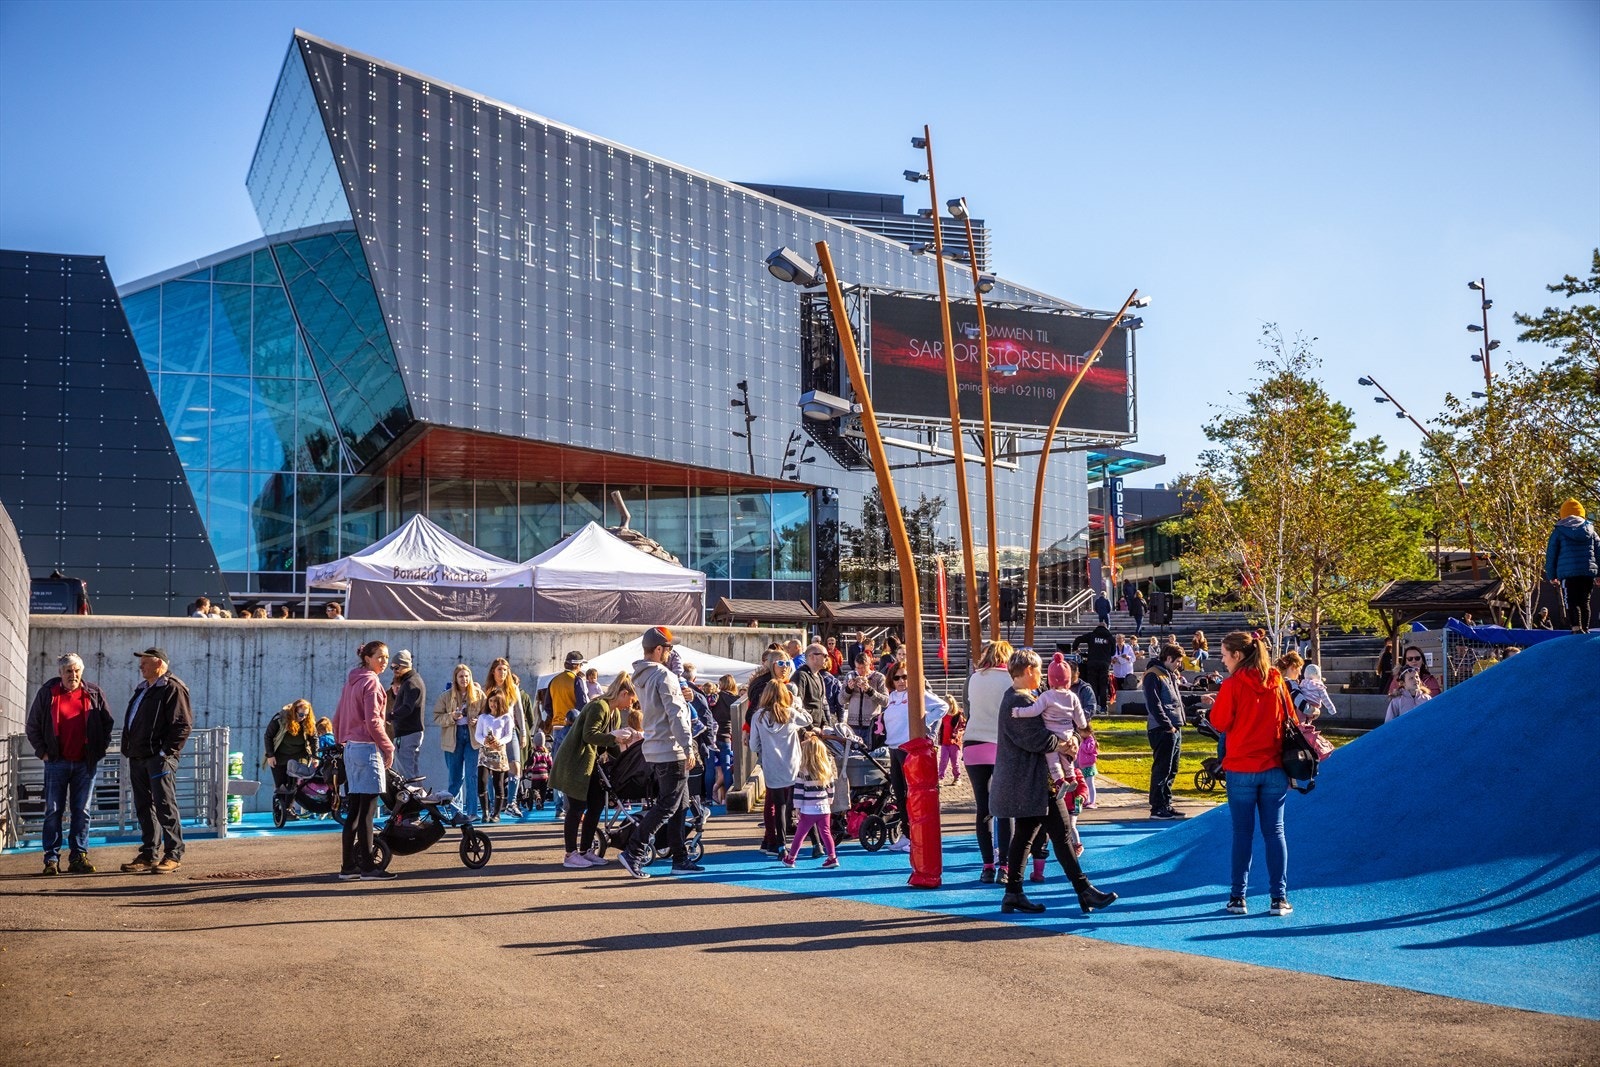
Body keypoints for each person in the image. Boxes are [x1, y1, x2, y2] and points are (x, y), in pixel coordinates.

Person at [991, 647, 1118, 915]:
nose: (1041, 676)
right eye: (1038, 670)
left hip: (1035, 782)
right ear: (1028, 671)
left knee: (1026, 837)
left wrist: (1067, 740)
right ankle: (1084, 891)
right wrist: (1067, 743)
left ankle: (1013, 893)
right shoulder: (1019, 701)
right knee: (1059, 835)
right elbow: (1037, 739)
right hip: (1036, 782)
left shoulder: (1024, 698)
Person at [1209, 630, 1294, 916]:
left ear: (1237, 655)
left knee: (1242, 834)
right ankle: (1278, 898)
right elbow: (1290, 719)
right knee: (1275, 833)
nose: (1222, 661)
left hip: (1241, 767)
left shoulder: (1233, 684)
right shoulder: (1277, 680)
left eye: (1223, 655)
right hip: (1274, 767)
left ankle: (1238, 897)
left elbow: (1219, 721)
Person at [619, 627, 701, 878]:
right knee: (668, 805)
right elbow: (676, 715)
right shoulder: (665, 676)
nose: (671, 652)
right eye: (668, 648)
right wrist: (688, 747)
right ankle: (634, 851)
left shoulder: (641, 675)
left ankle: (679, 857)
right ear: (658, 650)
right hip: (671, 748)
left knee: (680, 804)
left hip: (655, 746)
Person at [26, 653, 114, 875]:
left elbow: (106, 724)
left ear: (81, 673)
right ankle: (51, 859)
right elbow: (33, 726)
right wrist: (43, 752)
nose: (72, 675)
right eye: (68, 671)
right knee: (53, 811)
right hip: (56, 762)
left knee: (82, 811)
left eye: (76, 671)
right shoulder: (48, 693)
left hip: (85, 764)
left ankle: (78, 856)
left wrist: (98, 750)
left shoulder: (93, 692)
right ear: (60, 673)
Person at [119, 647, 194, 874]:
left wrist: (165, 753)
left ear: (159, 664)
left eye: (145, 663)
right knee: (144, 806)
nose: (140, 667)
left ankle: (173, 854)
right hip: (138, 756)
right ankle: (149, 853)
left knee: (164, 805)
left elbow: (182, 725)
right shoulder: (144, 689)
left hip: (158, 758)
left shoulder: (171, 688)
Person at [552, 673, 638, 868]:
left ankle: (585, 851)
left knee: (597, 804)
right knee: (576, 808)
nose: (631, 705)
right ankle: (570, 854)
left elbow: (609, 744)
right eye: (631, 699)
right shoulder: (599, 706)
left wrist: (626, 753)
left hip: (589, 765)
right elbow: (589, 735)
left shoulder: (613, 712)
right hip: (576, 763)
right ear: (624, 693)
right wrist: (615, 738)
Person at [333, 640, 396, 880]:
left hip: (351, 747)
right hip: (367, 748)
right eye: (380, 656)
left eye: (386, 657)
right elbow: (373, 721)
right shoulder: (371, 682)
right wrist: (388, 747)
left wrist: (342, 741)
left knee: (355, 811)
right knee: (368, 811)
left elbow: (338, 716)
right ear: (368, 658)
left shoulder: (352, 681)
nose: (384, 661)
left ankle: (348, 866)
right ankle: (369, 867)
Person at [881, 664, 948, 853]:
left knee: (913, 793)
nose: (901, 681)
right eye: (897, 678)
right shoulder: (892, 697)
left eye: (905, 677)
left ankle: (916, 835)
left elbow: (943, 706)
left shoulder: (918, 694)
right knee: (900, 793)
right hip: (894, 747)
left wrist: (923, 721)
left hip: (908, 748)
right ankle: (906, 833)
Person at [964, 639, 1014, 883]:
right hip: (999, 743)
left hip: (973, 743)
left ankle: (987, 866)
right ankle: (1005, 865)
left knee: (983, 809)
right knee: (1005, 809)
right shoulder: (1009, 679)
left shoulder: (974, 678)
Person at [749, 671, 813, 857]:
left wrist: (764, 745)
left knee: (778, 807)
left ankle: (779, 845)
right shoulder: (790, 713)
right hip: (792, 764)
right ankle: (814, 842)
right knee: (799, 804)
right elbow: (808, 720)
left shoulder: (758, 716)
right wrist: (797, 704)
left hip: (772, 766)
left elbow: (753, 744)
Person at [1013, 653, 1088, 788]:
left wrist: (1018, 712)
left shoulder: (1046, 696)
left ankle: (1059, 781)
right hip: (1067, 733)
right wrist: (1082, 726)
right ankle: (1071, 777)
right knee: (1066, 758)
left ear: (1051, 679)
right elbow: (1080, 717)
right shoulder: (1073, 697)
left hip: (1051, 734)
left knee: (1053, 759)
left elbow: (1034, 710)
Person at [432, 665, 484, 818]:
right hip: (453, 739)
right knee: (455, 777)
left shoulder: (479, 695)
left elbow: (488, 715)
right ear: (455, 678)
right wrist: (451, 717)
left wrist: (478, 721)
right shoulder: (446, 696)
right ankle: (456, 811)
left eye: (467, 676)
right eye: (461, 676)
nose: (464, 679)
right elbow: (436, 717)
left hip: (472, 738)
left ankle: (472, 812)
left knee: (471, 776)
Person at [782, 733, 840, 869]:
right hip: (824, 807)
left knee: (800, 835)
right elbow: (831, 789)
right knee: (826, 833)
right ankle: (832, 857)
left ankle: (791, 858)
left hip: (808, 808)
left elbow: (799, 792)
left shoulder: (803, 771)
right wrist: (829, 801)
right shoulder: (826, 770)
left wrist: (797, 808)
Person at [1143, 643, 1187, 820]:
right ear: (1168, 658)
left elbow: (1176, 700)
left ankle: (1166, 803)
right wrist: (1167, 725)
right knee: (1162, 768)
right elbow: (1155, 704)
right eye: (1177, 661)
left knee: (1172, 769)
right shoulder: (1153, 675)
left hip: (1174, 727)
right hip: (1162, 729)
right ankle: (1157, 806)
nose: (1179, 665)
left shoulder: (1169, 674)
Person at [1545, 499, 1600, 633]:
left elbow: (1551, 554)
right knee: (1584, 600)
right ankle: (1585, 628)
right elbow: (1599, 551)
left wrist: (1552, 575)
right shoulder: (1591, 531)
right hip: (1587, 572)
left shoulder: (1559, 531)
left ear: (1563, 514)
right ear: (1582, 513)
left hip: (1568, 573)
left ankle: (1576, 627)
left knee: (1571, 600)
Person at [484, 658, 528, 818]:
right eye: (499, 669)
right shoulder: (489, 689)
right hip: (493, 732)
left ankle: (512, 802)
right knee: (492, 769)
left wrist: (523, 733)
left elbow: (519, 712)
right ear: (493, 672)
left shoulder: (513, 688)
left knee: (515, 766)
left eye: (505, 669)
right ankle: (492, 803)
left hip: (510, 731)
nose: (502, 672)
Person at [263, 698, 318, 819]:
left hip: (299, 756)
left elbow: (314, 740)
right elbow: (268, 736)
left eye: (306, 714)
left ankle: (288, 808)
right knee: (281, 784)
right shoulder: (280, 720)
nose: (303, 717)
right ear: (294, 711)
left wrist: (315, 757)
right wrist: (270, 755)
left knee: (293, 784)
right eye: (301, 714)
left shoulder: (308, 723)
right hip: (279, 756)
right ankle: (280, 806)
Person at [473, 689, 515, 823]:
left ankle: (496, 813)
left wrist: (499, 742)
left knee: (499, 783)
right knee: (482, 781)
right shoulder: (483, 717)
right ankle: (485, 812)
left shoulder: (507, 717)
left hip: (499, 752)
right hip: (485, 752)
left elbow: (509, 735)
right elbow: (477, 734)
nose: (492, 704)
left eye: (495, 701)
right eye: (490, 701)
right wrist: (484, 741)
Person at [386, 649, 426, 781]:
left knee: (406, 773)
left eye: (397, 667)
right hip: (410, 733)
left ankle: (412, 799)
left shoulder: (411, 683)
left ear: (406, 665)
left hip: (407, 733)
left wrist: (390, 715)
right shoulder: (413, 680)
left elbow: (407, 708)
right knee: (412, 772)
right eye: (392, 667)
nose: (394, 670)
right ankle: (416, 797)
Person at [841, 650, 887, 744]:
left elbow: (886, 701)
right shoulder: (850, 676)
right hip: (852, 725)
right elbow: (841, 700)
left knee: (869, 753)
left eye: (863, 668)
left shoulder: (879, 678)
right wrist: (848, 689)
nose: (860, 671)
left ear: (869, 664)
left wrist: (869, 690)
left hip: (871, 725)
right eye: (857, 668)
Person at [1069, 622, 1115, 713]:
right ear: (1106, 628)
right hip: (1104, 664)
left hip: (1092, 663)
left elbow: (1078, 639)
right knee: (1103, 685)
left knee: (1092, 684)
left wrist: (1075, 648)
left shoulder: (1092, 635)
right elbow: (1113, 652)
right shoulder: (1110, 638)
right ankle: (1103, 707)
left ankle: (1094, 705)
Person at [708, 675, 739, 805]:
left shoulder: (714, 697)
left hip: (712, 735)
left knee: (710, 768)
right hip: (726, 735)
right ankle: (727, 797)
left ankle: (709, 798)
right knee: (726, 767)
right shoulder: (736, 700)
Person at [546, 650, 586, 738]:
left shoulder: (554, 680)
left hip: (557, 726)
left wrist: (557, 716)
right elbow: (582, 704)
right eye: (581, 665)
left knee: (558, 751)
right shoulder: (577, 680)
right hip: (572, 726)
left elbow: (547, 706)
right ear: (577, 665)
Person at [937, 699, 965, 785]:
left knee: (955, 762)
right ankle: (940, 777)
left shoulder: (958, 715)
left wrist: (956, 735)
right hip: (945, 742)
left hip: (954, 742)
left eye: (950, 704)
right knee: (943, 761)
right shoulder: (943, 715)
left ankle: (957, 778)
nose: (948, 706)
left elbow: (962, 727)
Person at [1076, 721, 1100, 809]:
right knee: (1084, 784)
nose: (1080, 734)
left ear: (1087, 732)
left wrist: (1082, 743)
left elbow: (1088, 749)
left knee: (1090, 784)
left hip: (1089, 765)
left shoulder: (1090, 740)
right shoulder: (1084, 740)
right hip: (1083, 765)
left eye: (1081, 732)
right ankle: (1086, 800)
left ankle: (1092, 801)